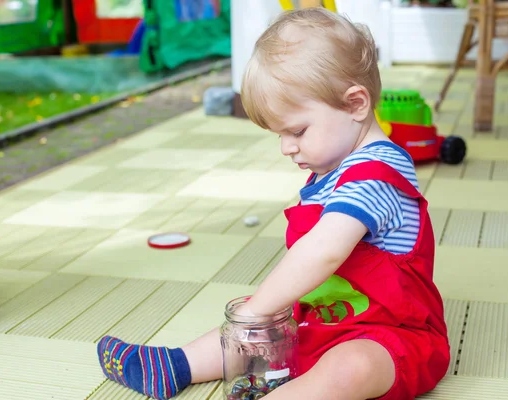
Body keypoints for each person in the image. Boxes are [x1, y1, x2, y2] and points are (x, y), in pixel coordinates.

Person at [96, 7, 450, 400]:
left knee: (347, 365)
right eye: (279, 134)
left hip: (393, 338)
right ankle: (176, 364)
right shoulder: (332, 165)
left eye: (297, 131)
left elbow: (324, 251)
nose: (285, 147)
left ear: (355, 104)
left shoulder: (377, 171)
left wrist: (258, 310)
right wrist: (258, 315)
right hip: (322, 323)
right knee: (259, 324)